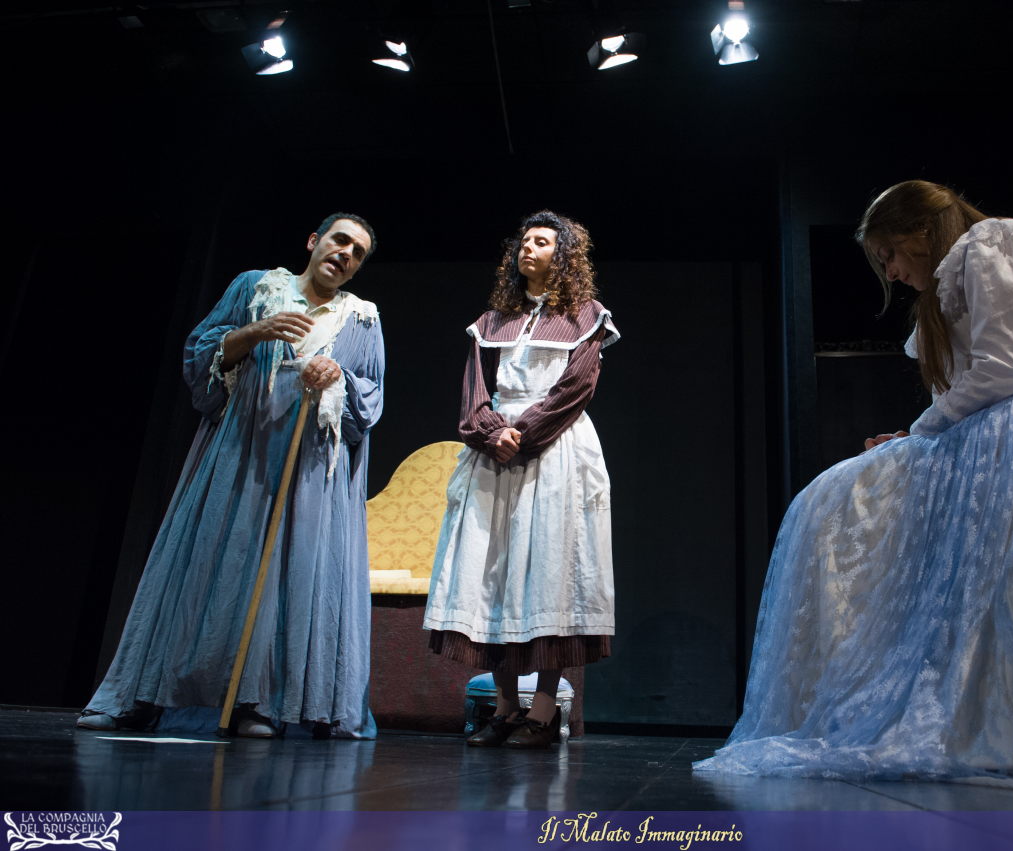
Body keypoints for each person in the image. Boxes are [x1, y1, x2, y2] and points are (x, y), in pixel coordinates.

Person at [694, 180, 1013, 780]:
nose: (891, 272)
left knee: (844, 496)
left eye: (890, 253)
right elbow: (971, 386)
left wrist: (924, 428)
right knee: (828, 498)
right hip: (984, 429)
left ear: (921, 231)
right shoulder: (947, 284)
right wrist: (918, 432)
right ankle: (851, 690)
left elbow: (1008, 366)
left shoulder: (993, 243)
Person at [77, 213, 384, 739]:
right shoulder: (256, 287)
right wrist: (257, 331)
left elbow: (370, 399)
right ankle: (141, 696)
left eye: (357, 253)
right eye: (339, 241)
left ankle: (258, 704)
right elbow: (202, 355)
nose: (345, 254)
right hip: (242, 449)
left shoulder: (362, 319)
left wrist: (338, 376)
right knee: (202, 568)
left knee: (288, 579)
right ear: (314, 241)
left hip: (308, 469)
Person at [423, 210, 619, 749]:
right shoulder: (492, 321)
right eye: (524, 241)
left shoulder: (586, 316)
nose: (527, 248)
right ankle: (506, 707)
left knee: (551, 573)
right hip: (494, 455)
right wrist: (491, 433)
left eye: (541, 242)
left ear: (564, 255)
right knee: (494, 572)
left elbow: (576, 385)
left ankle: (544, 710)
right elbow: (474, 391)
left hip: (556, 451)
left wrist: (524, 433)